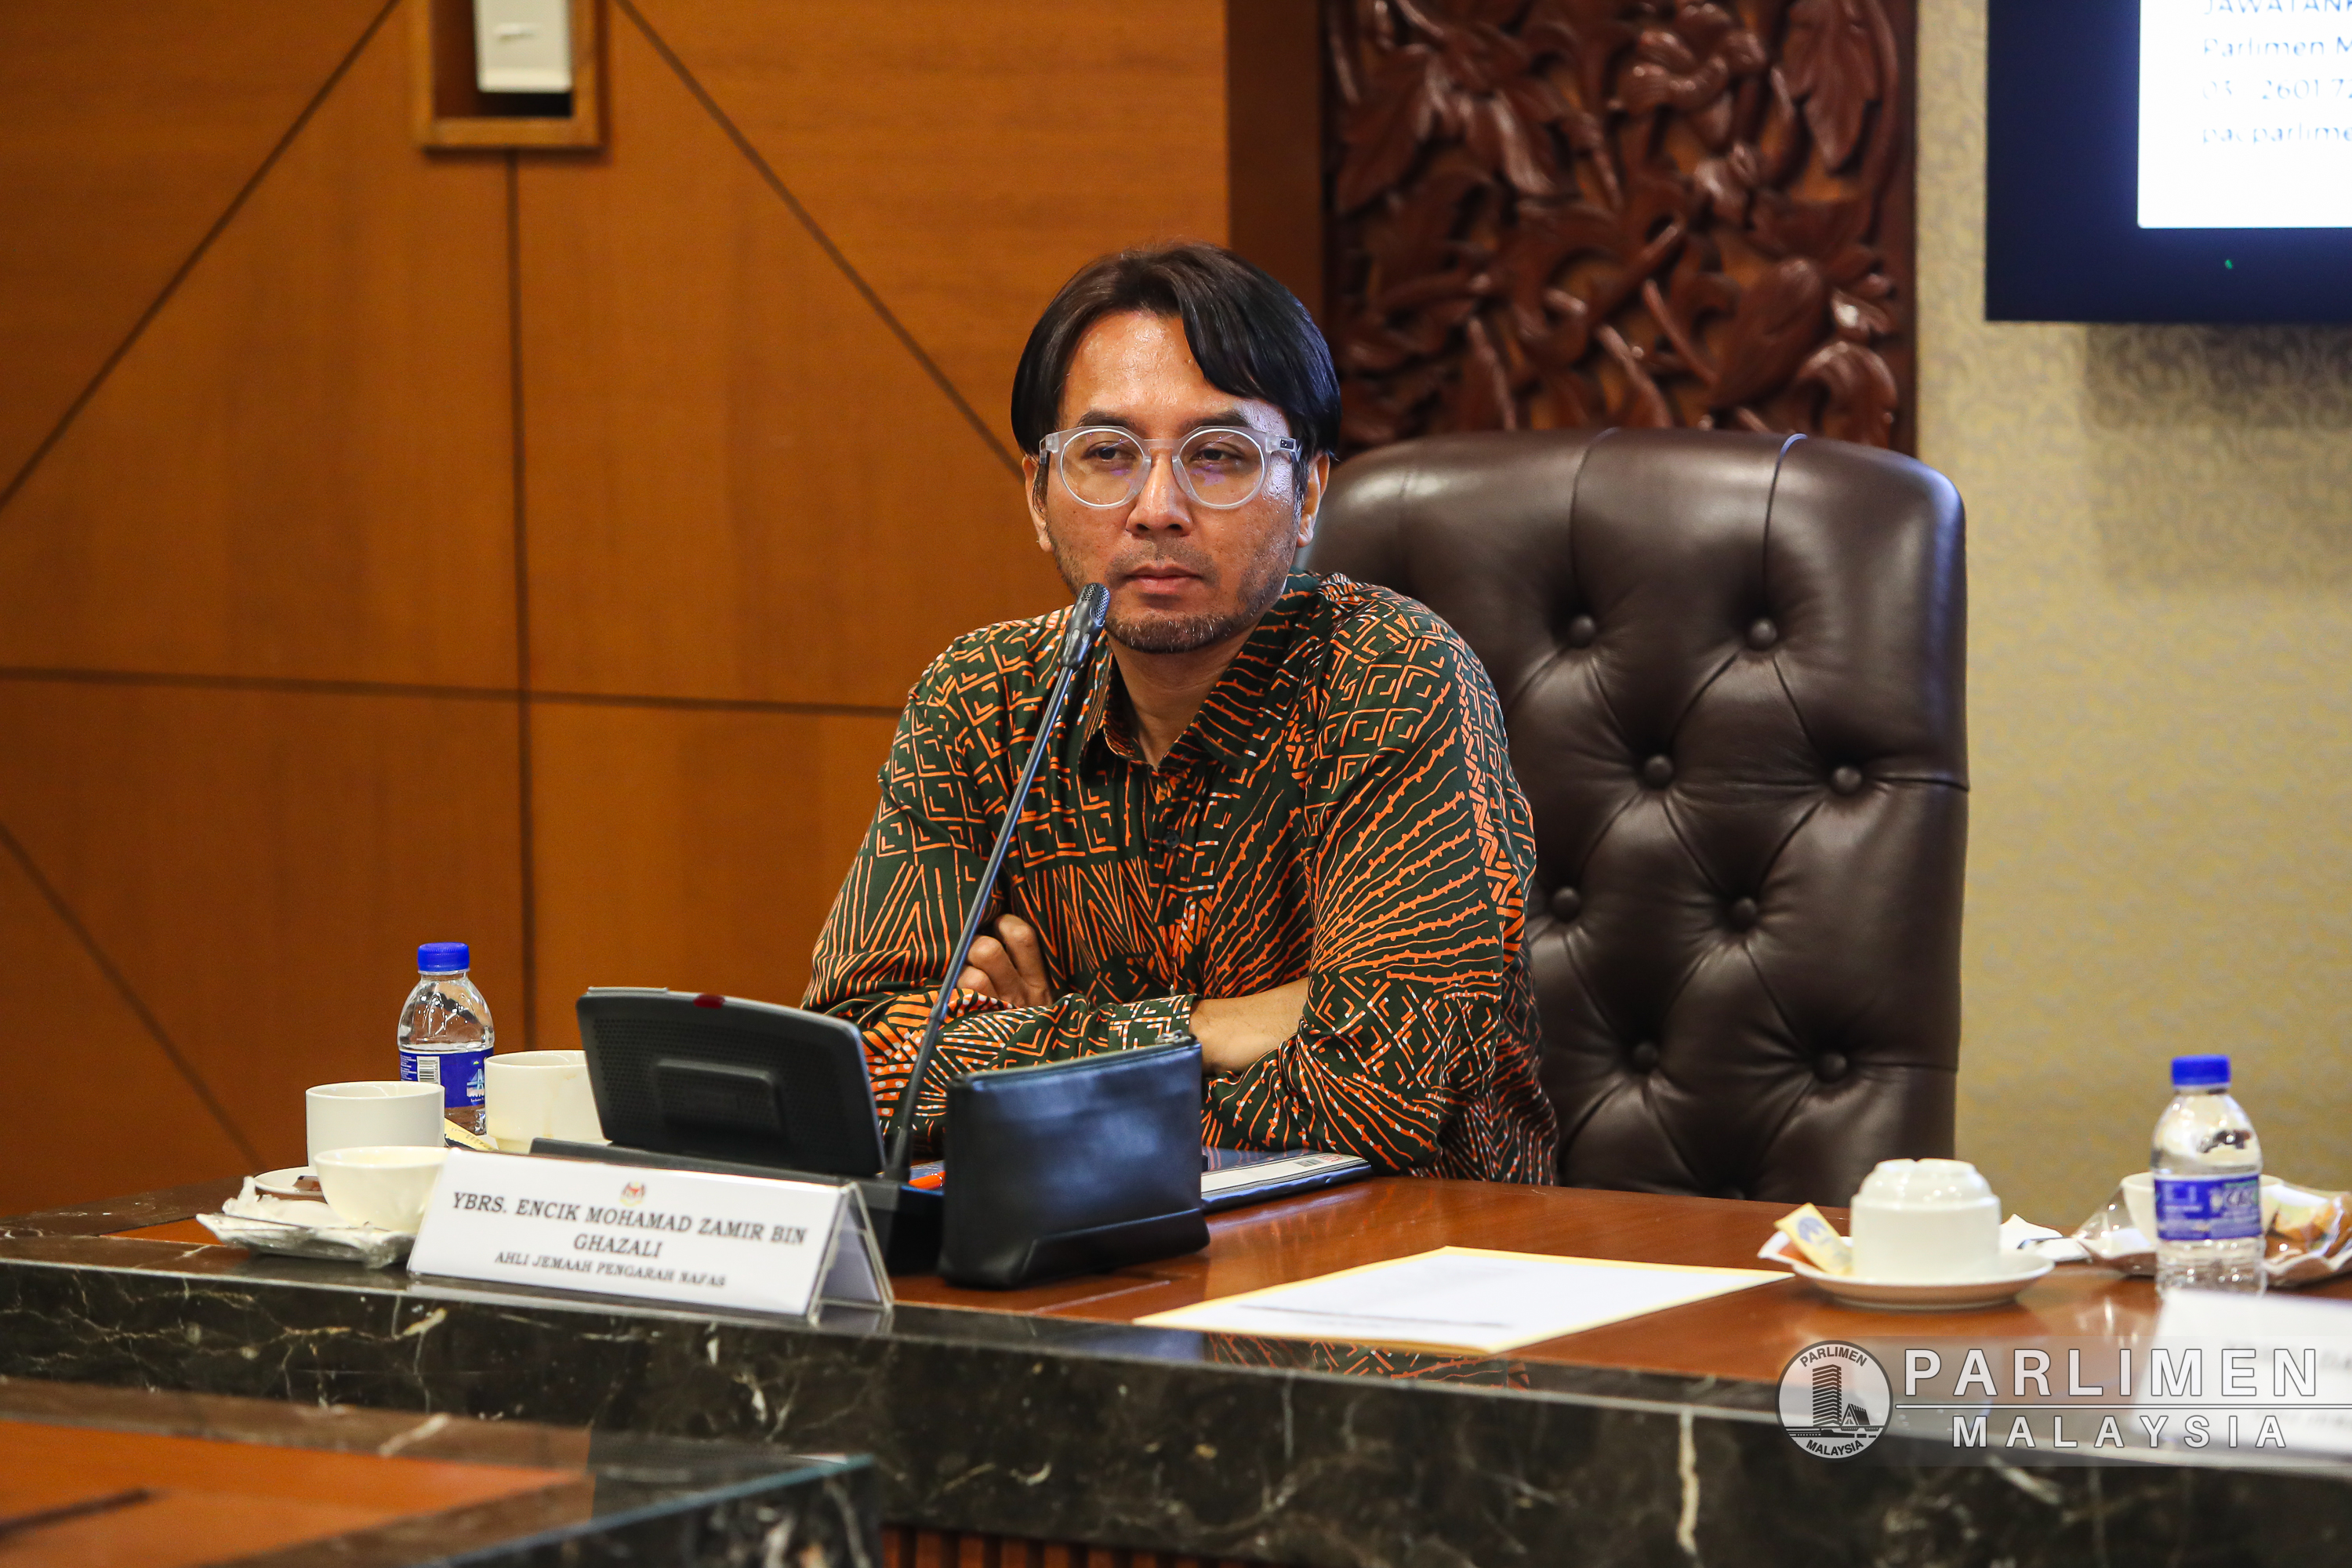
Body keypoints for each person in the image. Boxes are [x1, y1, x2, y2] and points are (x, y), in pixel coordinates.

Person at [804, 242, 1555, 1181]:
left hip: (1398, 1254)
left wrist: (1035, 1057)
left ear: (1309, 491)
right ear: (1038, 493)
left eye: (1219, 456)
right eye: (1107, 454)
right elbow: (857, 1071)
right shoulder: (981, 700)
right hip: (1078, 1250)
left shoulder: (1392, 676)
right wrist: (1207, 1029)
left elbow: (1377, 1094)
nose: (1157, 507)